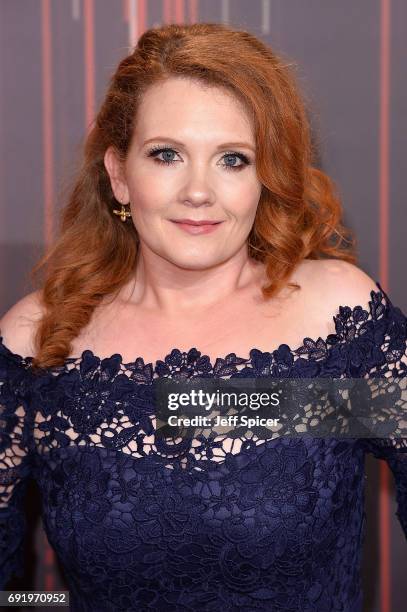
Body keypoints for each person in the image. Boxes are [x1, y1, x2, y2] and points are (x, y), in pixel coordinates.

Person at [0, 21, 406, 612]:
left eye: (233, 160)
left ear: (265, 177)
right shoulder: (36, 342)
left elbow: (218, 407)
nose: (198, 191)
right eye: (166, 154)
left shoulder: (335, 321)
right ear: (118, 174)